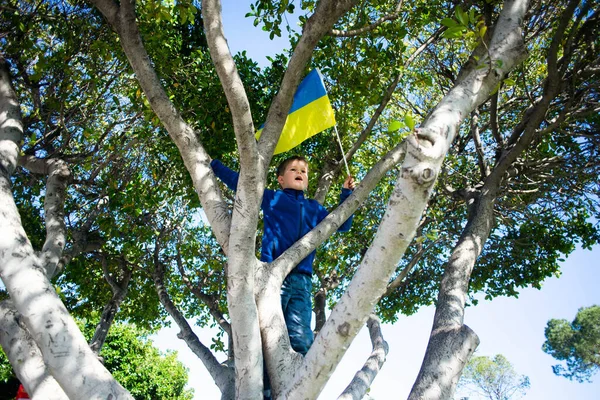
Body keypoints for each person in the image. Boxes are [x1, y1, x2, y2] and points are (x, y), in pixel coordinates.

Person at [210, 155, 355, 355]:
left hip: (303, 281)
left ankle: (298, 380)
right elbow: (241, 184)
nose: (299, 174)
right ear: (280, 179)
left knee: (302, 338)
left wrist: (346, 193)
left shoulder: (315, 208)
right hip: (273, 277)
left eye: (303, 172)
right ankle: (266, 385)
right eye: (293, 170)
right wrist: (213, 164)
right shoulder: (273, 198)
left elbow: (343, 225)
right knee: (267, 335)